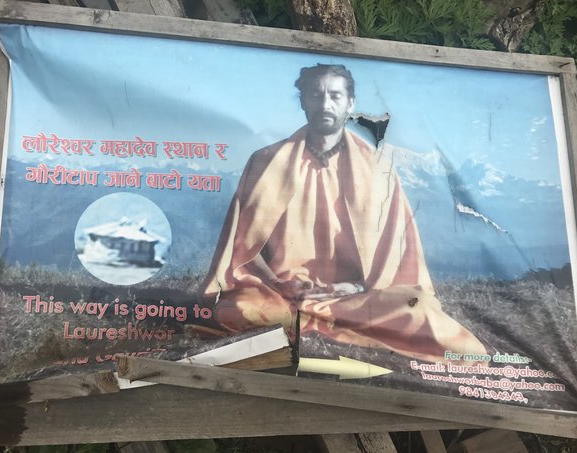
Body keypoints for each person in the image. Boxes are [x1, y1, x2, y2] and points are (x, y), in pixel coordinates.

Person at [201, 64, 486, 363]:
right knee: (241, 308)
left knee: (417, 307)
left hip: (355, 297)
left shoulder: (378, 169)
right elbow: (243, 248)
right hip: (282, 294)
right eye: (316, 95)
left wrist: (351, 288)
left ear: (350, 103)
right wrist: (278, 283)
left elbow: (395, 260)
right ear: (303, 101)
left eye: (335, 96)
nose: (325, 104)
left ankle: (310, 322)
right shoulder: (266, 161)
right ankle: (319, 321)